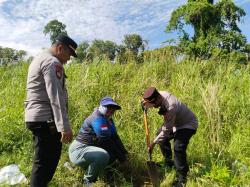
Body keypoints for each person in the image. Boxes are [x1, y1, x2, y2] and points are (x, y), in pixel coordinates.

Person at [24, 34, 78, 187]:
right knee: (44, 165)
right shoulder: (52, 62)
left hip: (37, 117)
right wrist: (64, 127)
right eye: (69, 54)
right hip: (45, 120)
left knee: (43, 162)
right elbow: (56, 96)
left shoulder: (40, 58)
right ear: (60, 48)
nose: (68, 59)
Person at [142, 87, 198, 187]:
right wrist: (145, 105)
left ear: (158, 98)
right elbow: (148, 101)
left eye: (154, 104)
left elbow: (167, 130)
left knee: (178, 147)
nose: (154, 106)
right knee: (161, 138)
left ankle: (182, 179)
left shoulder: (171, 105)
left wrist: (153, 143)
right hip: (176, 123)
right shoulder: (159, 95)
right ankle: (169, 163)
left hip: (188, 124)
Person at [69, 96, 128, 185]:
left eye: (113, 108)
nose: (111, 110)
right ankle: (88, 180)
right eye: (108, 107)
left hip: (90, 149)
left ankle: (104, 174)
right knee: (103, 155)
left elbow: (115, 137)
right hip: (78, 151)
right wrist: (122, 159)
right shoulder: (97, 119)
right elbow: (105, 140)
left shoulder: (108, 119)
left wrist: (124, 153)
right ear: (101, 107)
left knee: (112, 155)